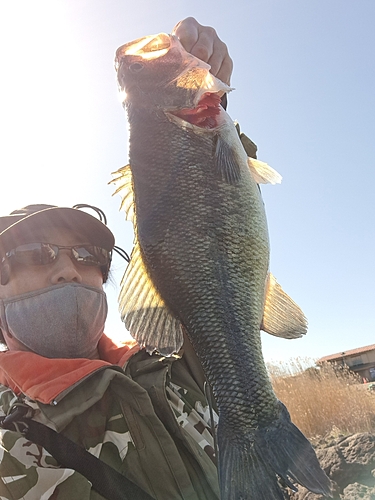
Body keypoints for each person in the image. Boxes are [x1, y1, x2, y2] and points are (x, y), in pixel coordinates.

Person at [0, 18, 233, 500]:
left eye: (88, 254)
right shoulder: (10, 436)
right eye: (35, 253)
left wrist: (207, 111)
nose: (69, 269)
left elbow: (215, 240)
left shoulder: (169, 364)